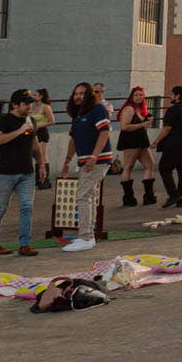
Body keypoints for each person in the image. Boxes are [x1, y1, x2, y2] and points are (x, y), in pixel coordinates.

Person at [0, 89, 40, 257]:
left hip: (27, 172)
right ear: (15, 105)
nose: (29, 107)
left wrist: (42, 163)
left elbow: (35, 143)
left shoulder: (31, 120)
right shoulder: (4, 121)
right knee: (0, 208)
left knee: (27, 207)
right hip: (5, 173)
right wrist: (19, 131)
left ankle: (25, 244)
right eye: (26, 104)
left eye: (30, 103)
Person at [62, 82, 114, 252]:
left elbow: (104, 132)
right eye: (76, 93)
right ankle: (87, 235)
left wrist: (94, 156)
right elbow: (73, 138)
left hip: (97, 160)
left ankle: (86, 237)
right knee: (87, 196)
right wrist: (67, 160)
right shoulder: (79, 113)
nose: (78, 96)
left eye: (82, 93)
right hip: (86, 160)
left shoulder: (98, 109)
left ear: (90, 95)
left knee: (83, 196)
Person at [154, 85, 182, 209]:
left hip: (174, 143)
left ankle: (173, 195)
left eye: (172, 94)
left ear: (177, 96)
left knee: (164, 168)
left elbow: (167, 128)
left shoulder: (172, 110)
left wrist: (156, 141)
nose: (170, 97)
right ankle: (180, 198)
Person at [116, 86, 156, 208]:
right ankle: (128, 198)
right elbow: (124, 127)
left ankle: (149, 196)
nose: (139, 97)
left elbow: (143, 123)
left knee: (149, 165)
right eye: (136, 95)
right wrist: (143, 124)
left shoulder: (141, 109)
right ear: (131, 97)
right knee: (128, 166)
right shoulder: (129, 108)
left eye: (141, 95)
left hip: (141, 139)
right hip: (131, 140)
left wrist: (147, 120)